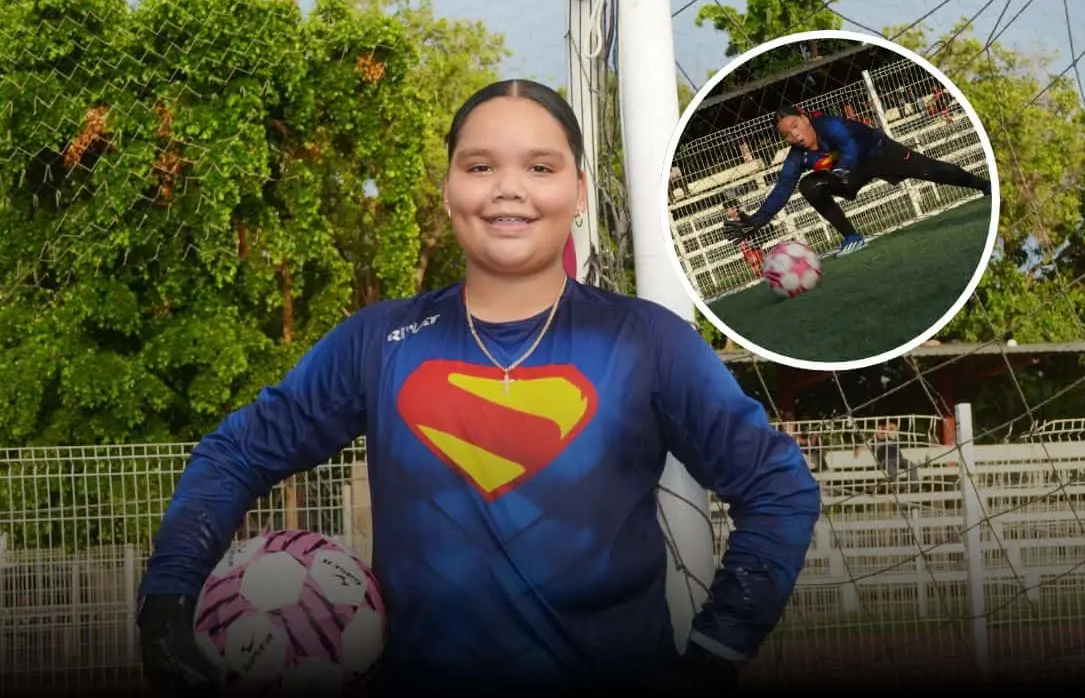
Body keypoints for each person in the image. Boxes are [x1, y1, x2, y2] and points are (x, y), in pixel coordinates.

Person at [135, 79, 822, 696]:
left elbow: (778, 487)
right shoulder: (379, 342)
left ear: (579, 191)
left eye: (540, 167)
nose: (508, 188)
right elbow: (236, 454)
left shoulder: (647, 343)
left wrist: (715, 651)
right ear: (449, 188)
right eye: (480, 166)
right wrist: (169, 597)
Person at [725, 104, 991, 258]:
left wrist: (843, 167)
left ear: (805, 119)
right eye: (787, 135)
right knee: (809, 186)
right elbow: (783, 188)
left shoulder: (828, 125)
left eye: (795, 125)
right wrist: (756, 221)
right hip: (849, 173)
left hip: (878, 152)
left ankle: (984, 185)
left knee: (932, 170)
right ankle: (852, 237)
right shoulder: (797, 156)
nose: (794, 135)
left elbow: (849, 144)